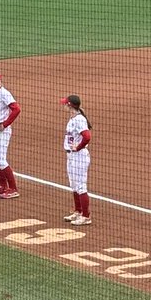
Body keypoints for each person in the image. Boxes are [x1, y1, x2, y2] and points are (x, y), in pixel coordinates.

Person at [61, 94, 92, 225]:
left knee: (80, 186)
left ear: (70, 105)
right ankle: (78, 211)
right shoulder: (73, 118)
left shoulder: (79, 119)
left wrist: (78, 147)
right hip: (71, 155)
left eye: (65, 103)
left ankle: (86, 216)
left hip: (79, 156)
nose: (64, 105)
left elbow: (87, 137)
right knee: (74, 185)